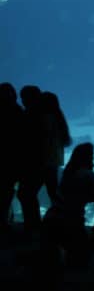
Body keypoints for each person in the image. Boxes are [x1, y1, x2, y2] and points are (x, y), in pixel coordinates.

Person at [41, 142, 94, 268]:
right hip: (72, 225)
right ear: (90, 158)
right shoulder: (88, 175)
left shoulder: (63, 173)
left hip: (51, 221)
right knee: (80, 263)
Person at [16, 85, 46, 235]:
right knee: (27, 194)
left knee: (25, 194)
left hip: (33, 163)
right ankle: (34, 224)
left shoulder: (31, 115)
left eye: (24, 97)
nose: (22, 101)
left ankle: (33, 225)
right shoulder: (40, 114)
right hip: (37, 162)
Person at [0, 82, 23, 236]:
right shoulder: (18, 112)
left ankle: (4, 221)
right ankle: (4, 222)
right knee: (7, 192)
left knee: (6, 192)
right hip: (12, 161)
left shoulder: (17, 112)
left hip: (7, 160)